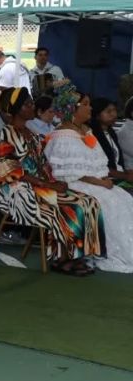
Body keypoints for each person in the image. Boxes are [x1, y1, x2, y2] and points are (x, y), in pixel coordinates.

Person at [0, 87, 102, 276]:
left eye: (31, 102)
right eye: (28, 104)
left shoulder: (31, 133)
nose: (32, 106)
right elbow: (10, 171)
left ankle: (77, 255)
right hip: (16, 189)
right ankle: (61, 259)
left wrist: (56, 181)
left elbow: (44, 165)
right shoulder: (6, 134)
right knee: (66, 207)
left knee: (88, 202)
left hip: (39, 186)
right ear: (16, 109)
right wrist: (49, 185)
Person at [44, 91, 133, 273]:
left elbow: (95, 161)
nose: (90, 108)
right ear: (72, 109)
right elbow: (71, 172)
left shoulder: (85, 130)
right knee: (112, 203)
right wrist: (100, 183)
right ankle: (109, 251)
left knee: (124, 198)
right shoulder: (63, 135)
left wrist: (103, 179)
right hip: (75, 183)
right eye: (85, 104)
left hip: (95, 182)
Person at [89, 97, 133, 188]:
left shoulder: (110, 132)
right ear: (96, 115)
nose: (114, 114)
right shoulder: (93, 136)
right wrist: (126, 175)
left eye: (114, 110)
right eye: (108, 112)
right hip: (110, 180)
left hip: (121, 176)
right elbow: (101, 166)